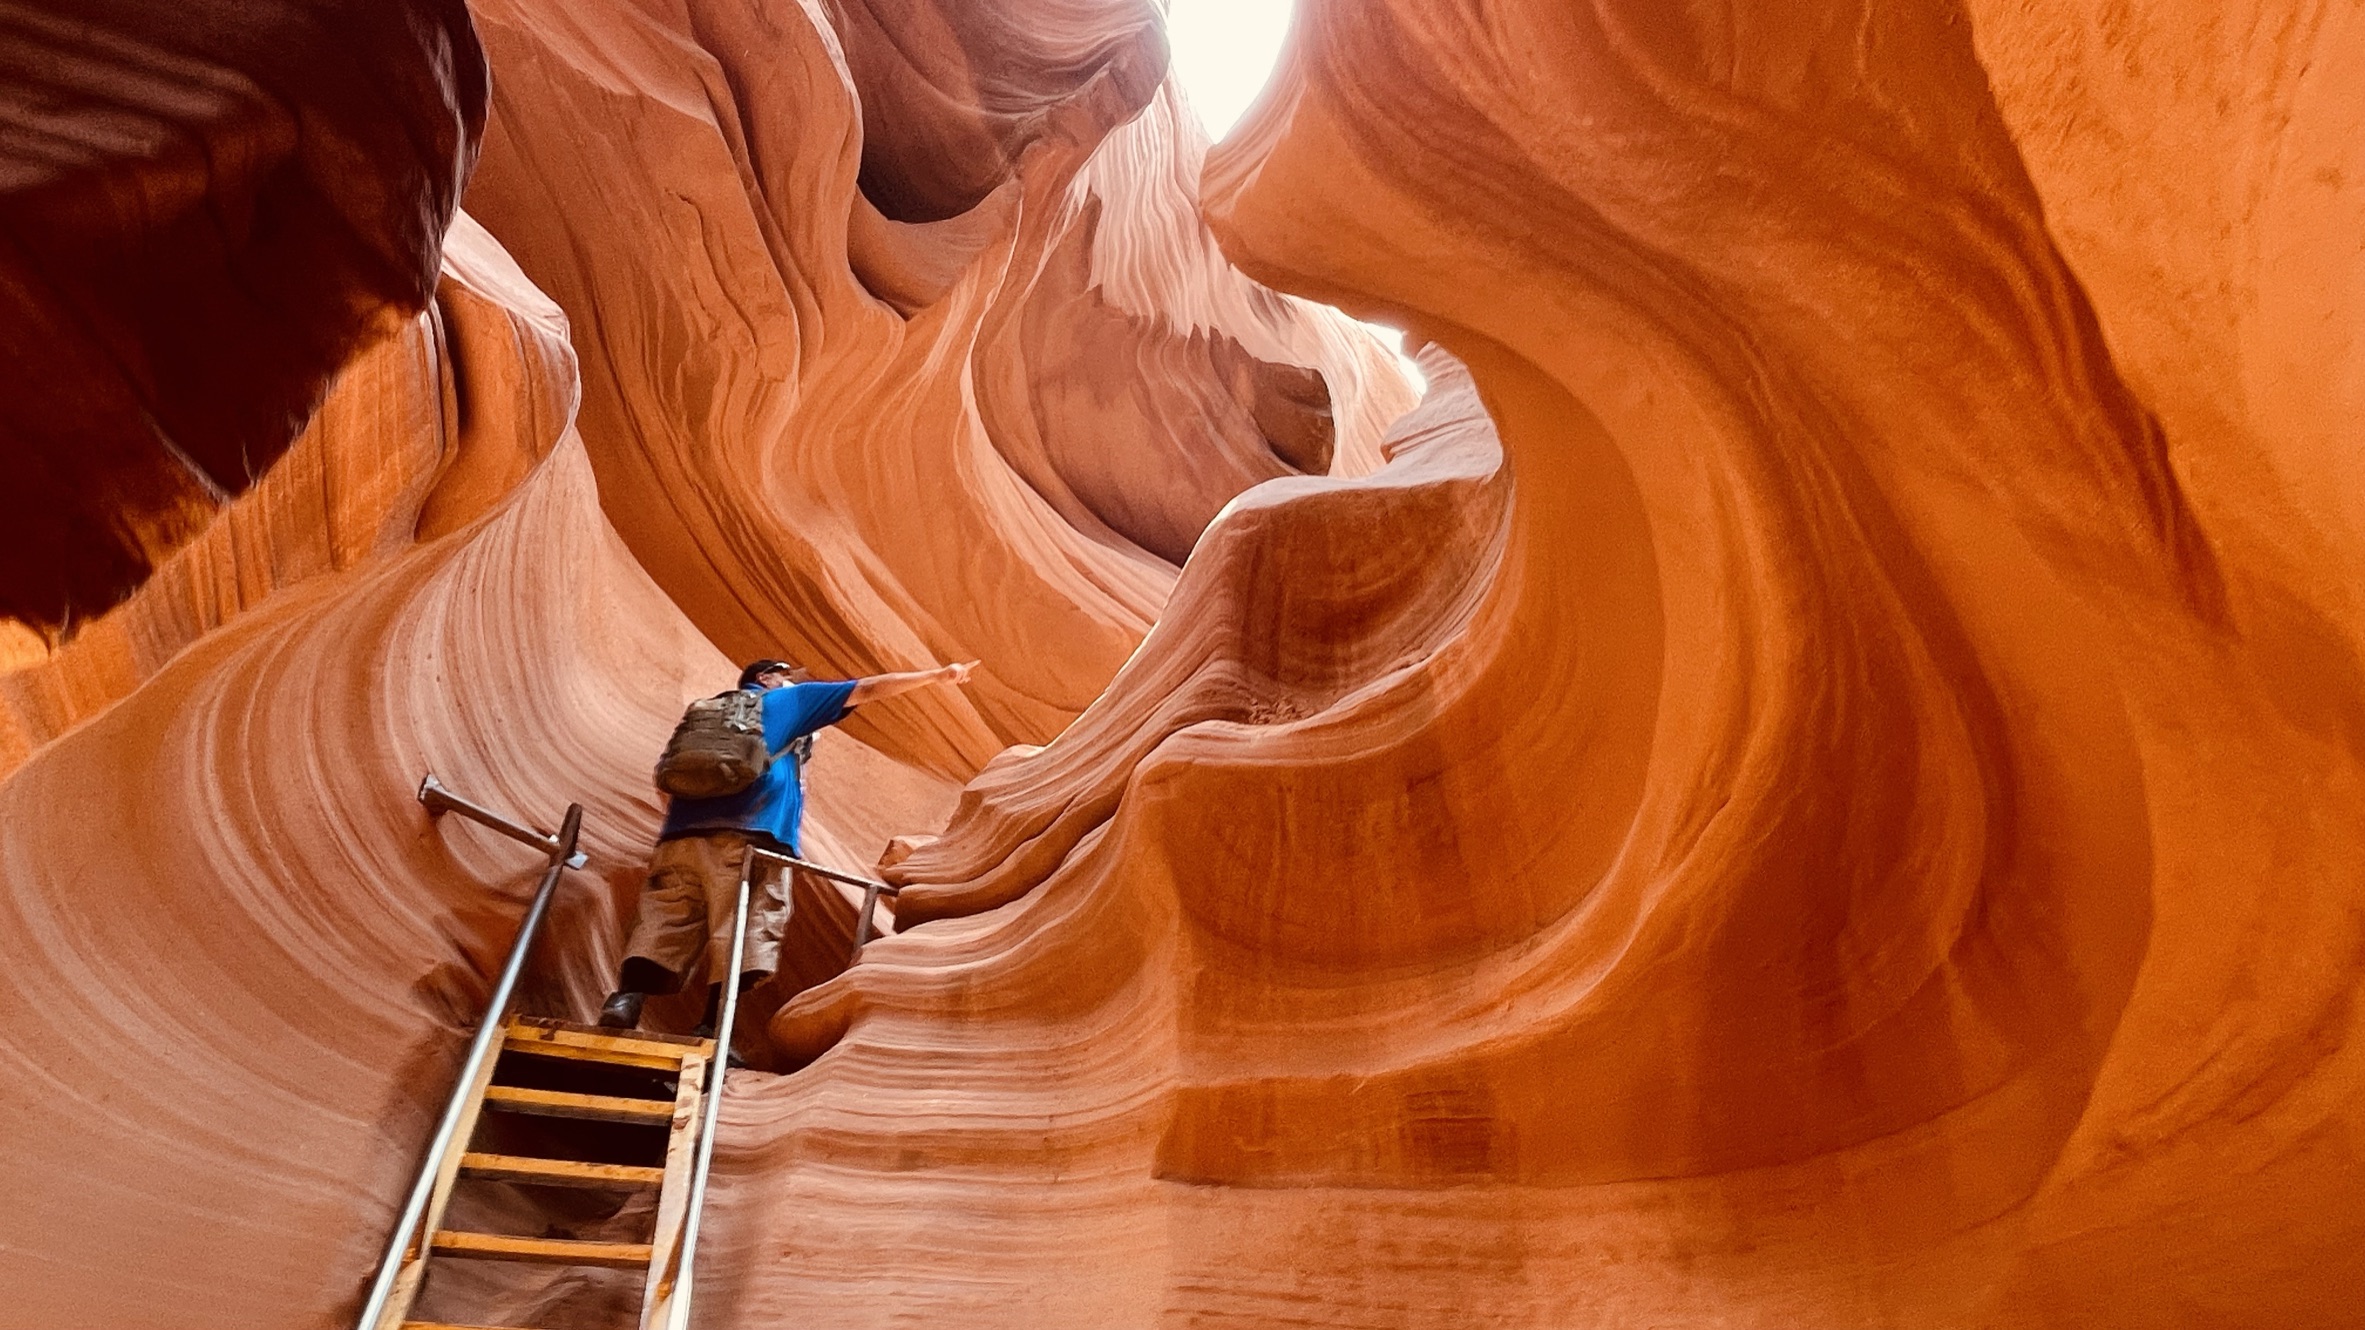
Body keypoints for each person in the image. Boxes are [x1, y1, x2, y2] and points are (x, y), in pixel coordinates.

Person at [598, 656, 976, 1036]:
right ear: (766, 678)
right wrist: (937, 676)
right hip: (751, 838)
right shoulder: (786, 702)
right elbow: (869, 688)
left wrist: (686, 825)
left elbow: (663, 777)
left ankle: (626, 1001)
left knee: (665, 921)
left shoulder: (705, 713)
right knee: (744, 928)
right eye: (788, 676)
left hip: (680, 840)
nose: (795, 682)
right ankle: (713, 1029)